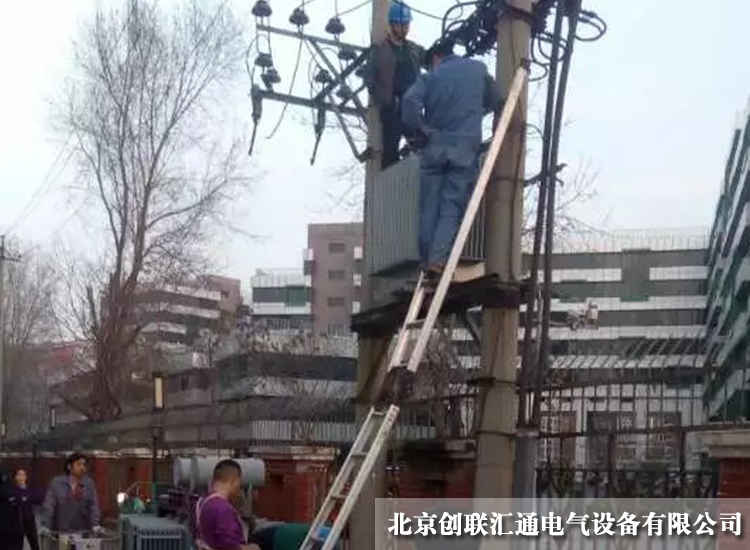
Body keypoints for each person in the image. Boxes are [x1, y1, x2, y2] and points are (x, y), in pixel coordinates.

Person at [401, 39, 502, 278]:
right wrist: (474, 112)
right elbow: (496, 99)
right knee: (451, 207)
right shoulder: (477, 69)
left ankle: (427, 260)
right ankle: (437, 259)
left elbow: (409, 102)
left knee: (429, 208)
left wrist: (420, 131)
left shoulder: (430, 78)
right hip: (465, 149)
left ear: (436, 58)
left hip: (435, 147)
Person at [364, 1, 425, 170]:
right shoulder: (379, 50)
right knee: (390, 152)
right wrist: (386, 101)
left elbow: (432, 59)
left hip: (412, 106)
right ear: (392, 25)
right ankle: (389, 180)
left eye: (406, 25)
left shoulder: (413, 49)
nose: (404, 29)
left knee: (423, 142)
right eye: (401, 25)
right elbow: (369, 79)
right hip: (393, 109)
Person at [196, 459, 260, 550]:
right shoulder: (223, 509)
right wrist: (251, 548)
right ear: (235, 481)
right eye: (239, 481)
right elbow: (229, 546)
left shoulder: (202, 502)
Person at [40, 453, 103, 535]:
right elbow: (49, 505)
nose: (82, 468)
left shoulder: (89, 483)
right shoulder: (57, 483)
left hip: (82, 531)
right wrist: (46, 525)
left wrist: (95, 524)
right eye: (79, 464)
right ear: (69, 467)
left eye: (84, 465)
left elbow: (94, 505)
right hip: (60, 531)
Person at [2, 468, 41, 550]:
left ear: (26, 477)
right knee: (18, 543)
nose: (21, 477)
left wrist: (24, 498)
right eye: (19, 475)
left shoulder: (30, 489)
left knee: (34, 542)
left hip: (29, 518)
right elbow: (15, 499)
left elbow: (37, 498)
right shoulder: (11, 489)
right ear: (15, 477)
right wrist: (23, 498)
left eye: (23, 475)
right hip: (17, 520)